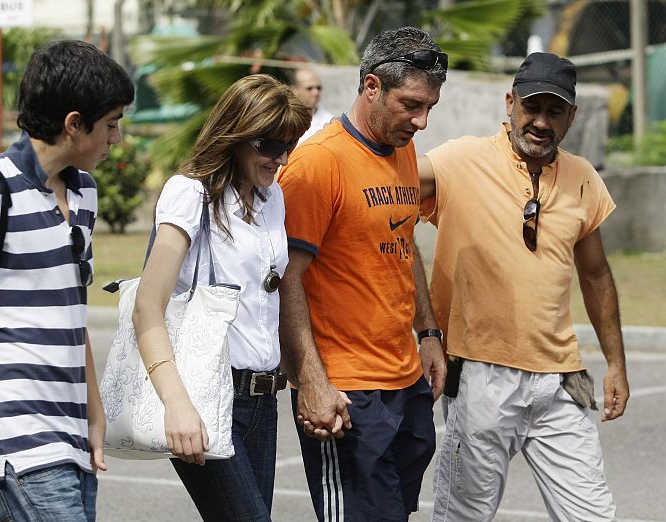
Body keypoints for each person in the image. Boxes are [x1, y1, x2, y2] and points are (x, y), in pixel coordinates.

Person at [418, 52, 629, 521]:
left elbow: (595, 274)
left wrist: (616, 362)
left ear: (571, 117)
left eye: (555, 111)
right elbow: (384, 190)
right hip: (478, 375)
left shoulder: (582, 178)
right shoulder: (461, 159)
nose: (540, 122)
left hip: (562, 379)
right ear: (510, 102)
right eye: (531, 107)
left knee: (593, 515)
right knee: (463, 517)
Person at [0, 40, 134, 522]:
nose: (117, 139)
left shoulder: (84, 192)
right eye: (111, 125)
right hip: (10, 442)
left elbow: (70, 312)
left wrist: (93, 410)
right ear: (73, 124)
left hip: (68, 435)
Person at [277, 27, 448, 521]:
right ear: (371, 86)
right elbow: (287, 280)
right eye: (412, 104)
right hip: (345, 390)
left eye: (430, 107)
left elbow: (403, 240)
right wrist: (311, 381)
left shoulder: (403, 147)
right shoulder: (317, 163)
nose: (421, 121)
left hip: (404, 378)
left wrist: (429, 332)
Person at [132, 74, 311, 521]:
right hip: (206, 393)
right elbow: (147, 308)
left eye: (290, 145)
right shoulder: (190, 194)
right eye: (270, 145)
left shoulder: (273, 198)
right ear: (236, 135)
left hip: (261, 401)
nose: (282, 158)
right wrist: (176, 403)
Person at [289, 67, 334, 146]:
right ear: (294, 90)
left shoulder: (331, 122)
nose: (316, 92)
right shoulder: (285, 118)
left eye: (318, 88)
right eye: (309, 88)